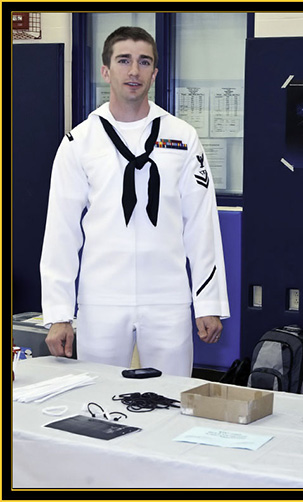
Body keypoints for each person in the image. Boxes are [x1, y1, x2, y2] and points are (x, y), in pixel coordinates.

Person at [40, 26, 230, 377]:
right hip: (101, 298)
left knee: (172, 399)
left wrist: (209, 302)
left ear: (155, 73)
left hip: (168, 296)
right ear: (105, 71)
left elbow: (201, 225)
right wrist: (59, 314)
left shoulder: (182, 138)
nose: (134, 71)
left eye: (144, 62)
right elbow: (61, 233)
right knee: (99, 402)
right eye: (123, 60)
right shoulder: (79, 141)